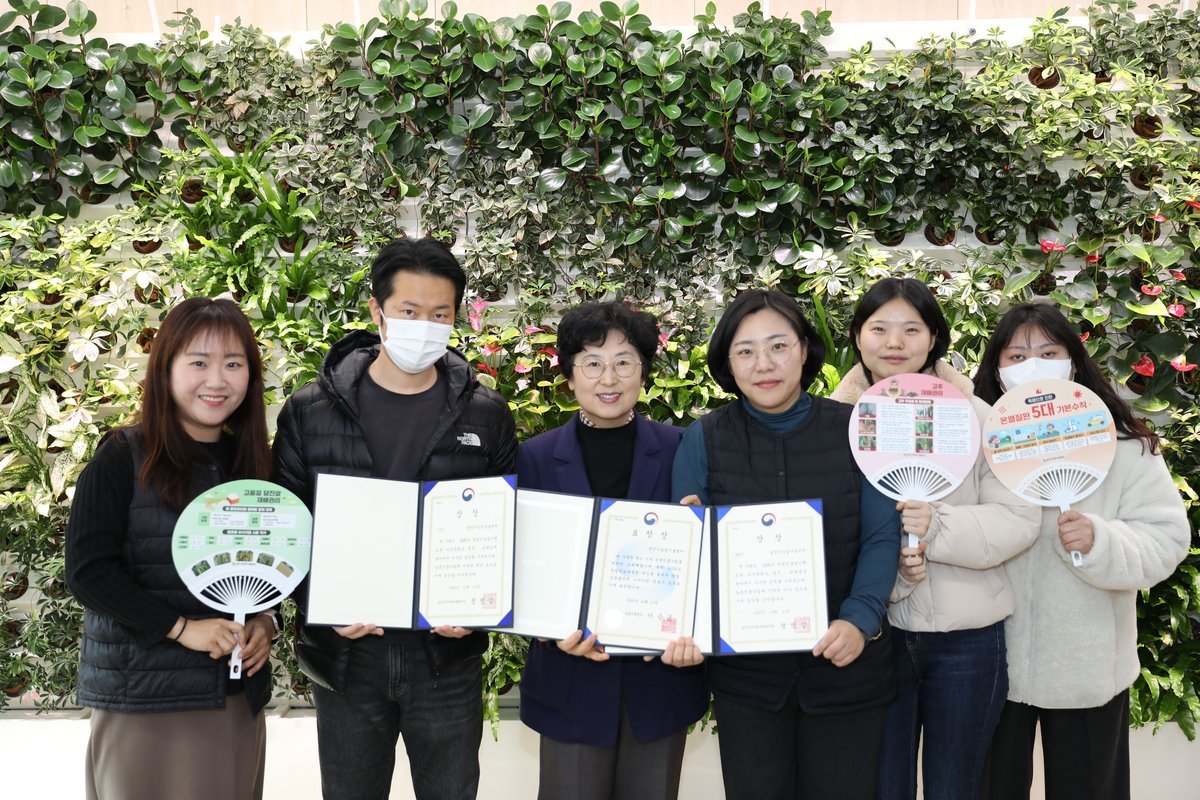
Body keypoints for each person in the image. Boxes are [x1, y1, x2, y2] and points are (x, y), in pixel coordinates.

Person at [270, 237, 517, 800]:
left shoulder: (486, 414)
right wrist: (320, 600)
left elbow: (506, 529)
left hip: (445, 657)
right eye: (409, 311)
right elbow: (286, 524)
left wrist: (480, 607)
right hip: (348, 656)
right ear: (377, 311)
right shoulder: (310, 409)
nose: (424, 327)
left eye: (440, 315)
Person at [671, 288, 899, 800]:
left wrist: (859, 619)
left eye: (778, 346)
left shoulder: (857, 429)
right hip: (748, 681)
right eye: (745, 351)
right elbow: (687, 559)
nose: (764, 364)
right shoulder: (702, 439)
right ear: (728, 363)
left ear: (804, 349)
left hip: (846, 669)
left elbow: (881, 534)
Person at [828, 278, 1039, 800]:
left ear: (934, 338)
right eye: (879, 328)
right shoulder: (833, 427)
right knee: (881, 785)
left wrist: (937, 527)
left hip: (968, 639)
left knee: (956, 785)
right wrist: (891, 571)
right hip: (875, 638)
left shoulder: (979, 418)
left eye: (911, 329)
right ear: (857, 337)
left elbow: (1019, 519)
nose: (894, 342)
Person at [974, 302, 1189, 800]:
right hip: (991, 662)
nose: (1033, 366)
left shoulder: (1125, 446)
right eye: (1017, 355)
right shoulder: (976, 445)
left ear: (1073, 362)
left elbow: (1167, 539)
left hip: (1088, 667)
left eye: (1048, 353)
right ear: (997, 370)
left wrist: (1101, 541)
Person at [66, 297, 276, 800]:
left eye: (233, 364)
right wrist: (182, 629)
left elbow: (269, 566)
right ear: (165, 369)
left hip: (234, 698)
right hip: (144, 697)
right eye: (199, 363)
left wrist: (266, 622)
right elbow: (89, 573)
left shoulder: (251, 463)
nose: (217, 380)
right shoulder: (122, 456)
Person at [515, 301, 709, 800]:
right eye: (592, 362)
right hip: (571, 676)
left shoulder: (681, 448)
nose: (609, 377)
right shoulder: (535, 457)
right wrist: (549, 630)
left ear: (643, 372)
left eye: (624, 361)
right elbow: (522, 564)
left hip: (659, 680)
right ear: (569, 374)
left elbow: (703, 564)